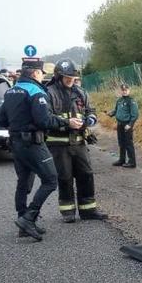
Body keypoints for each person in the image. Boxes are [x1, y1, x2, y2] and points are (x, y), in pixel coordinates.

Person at [0, 57, 73, 241]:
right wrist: (66, 122)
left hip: (15, 144)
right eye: (41, 73)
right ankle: (29, 218)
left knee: (23, 182)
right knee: (51, 180)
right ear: (36, 73)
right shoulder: (36, 92)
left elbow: (1, 120)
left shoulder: (10, 91)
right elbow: (44, 121)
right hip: (32, 143)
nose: (41, 76)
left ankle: (22, 220)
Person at [44, 59, 109, 223]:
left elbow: (91, 112)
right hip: (59, 144)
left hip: (79, 142)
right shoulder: (48, 93)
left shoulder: (80, 93)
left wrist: (89, 121)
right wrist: (68, 123)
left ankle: (88, 211)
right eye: (67, 77)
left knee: (86, 174)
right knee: (65, 177)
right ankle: (68, 212)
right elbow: (46, 118)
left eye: (72, 78)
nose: (70, 80)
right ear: (58, 76)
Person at [107, 83, 139, 168]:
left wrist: (130, 124)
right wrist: (111, 113)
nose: (124, 91)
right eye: (123, 90)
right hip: (120, 124)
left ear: (129, 90)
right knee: (121, 143)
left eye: (126, 90)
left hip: (127, 125)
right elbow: (116, 110)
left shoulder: (131, 101)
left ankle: (132, 162)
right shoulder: (119, 100)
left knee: (128, 143)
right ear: (120, 91)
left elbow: (135, 114)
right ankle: (122, 159)